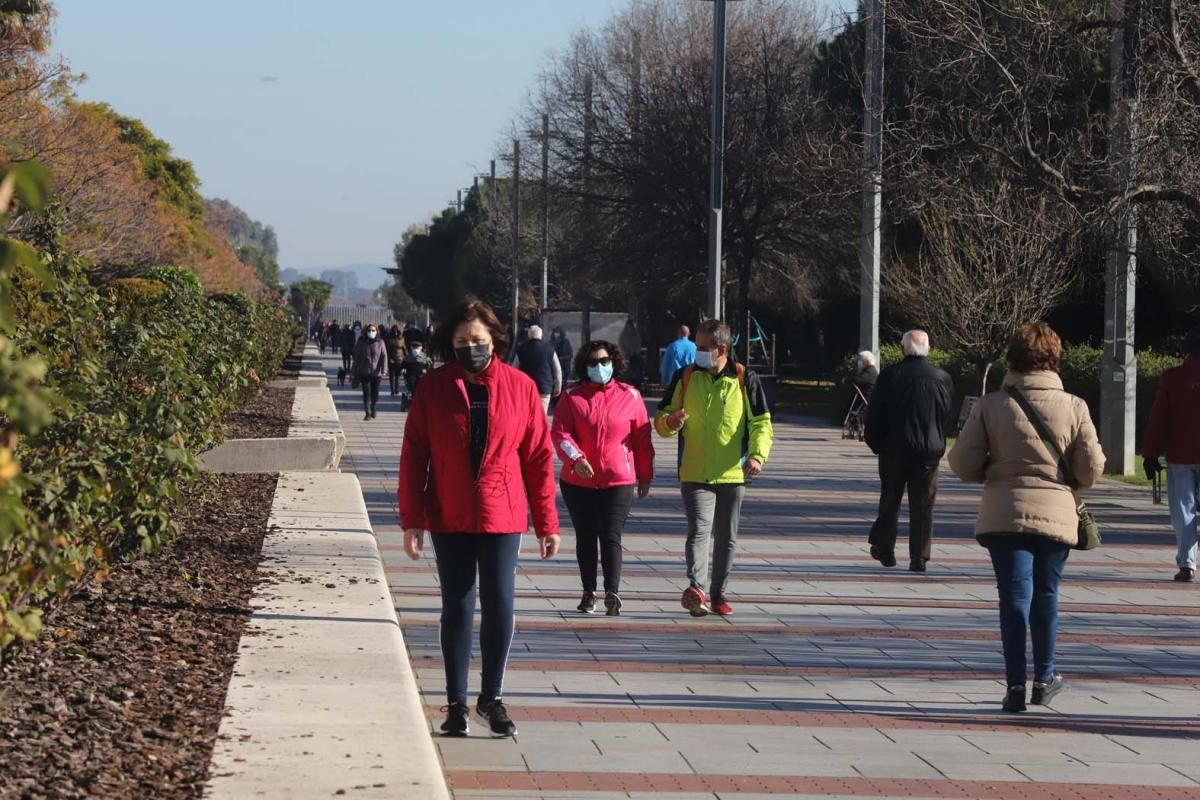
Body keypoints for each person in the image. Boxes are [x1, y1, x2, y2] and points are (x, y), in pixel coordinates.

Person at [398, 299, 560, 739]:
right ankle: (456, 704)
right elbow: (415, 455)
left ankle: (492, 698)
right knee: (457, 606)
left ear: (496, 342)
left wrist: (548, 521)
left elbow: (539, 459)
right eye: (462, 342)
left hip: (502, 513)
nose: (471, 348)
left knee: (500, 604)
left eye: (478, 341)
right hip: (448, 514)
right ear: (450, 344)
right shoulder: (433, 388)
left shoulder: (521, 387)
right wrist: (412, 518)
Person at [949, 323, 1104, 713]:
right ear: (1054, 357)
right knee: (1047, 596)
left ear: (1012, 356)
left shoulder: (990, 405)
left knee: (1014, 599)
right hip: (1056, 515)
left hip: (1004, 514)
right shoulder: (1075, 406)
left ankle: (1014, 684)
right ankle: (1045, 677)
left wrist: (992, 469)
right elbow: (1090, 470)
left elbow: (961, 463)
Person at [655, 319, 773, 617]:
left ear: (722, 349)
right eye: (696, 346)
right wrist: (670, 423)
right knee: (698, 531)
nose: (697, 352)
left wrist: (757, 456)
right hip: (694, 471)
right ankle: (697, 588)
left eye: (703, 347)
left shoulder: (745, 378)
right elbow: (661, 417)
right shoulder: (685, 377)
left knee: (726, 537)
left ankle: (719, 593)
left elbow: (761, 422)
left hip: (734, 473)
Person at [552, 341, 654, 616]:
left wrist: (645, 475)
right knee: (586, 537)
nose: (599, 366)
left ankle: (613, 592)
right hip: (578, 482)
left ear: (614, 362)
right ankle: (588, 592)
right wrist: (576, 458)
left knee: (611, 535)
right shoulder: (572, 397)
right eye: (593, 362)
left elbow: (642, 440)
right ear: (584, 365)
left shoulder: (630, 396)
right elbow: (560, 434)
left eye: (604, 360)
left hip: (618, 480)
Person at [863, 330, 955, 572]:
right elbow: (948, 415)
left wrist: (874, 442)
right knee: (924, 504)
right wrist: (938, 440)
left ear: (903, 348)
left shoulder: (890, 376)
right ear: (927, 349)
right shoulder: (942, 377)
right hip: (928, 451)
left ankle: (885, 548)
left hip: (893, 449)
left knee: (890, 499)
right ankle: (919, 557)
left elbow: (874, 413)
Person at [1142, 325, 1200, 582]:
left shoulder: (1172, 377)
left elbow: (1159, 418)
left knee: (1183, 511)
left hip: (1181, 455)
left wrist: (1150, 454)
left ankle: (1187, 563)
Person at [513, 324, 562, 412]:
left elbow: (514, 369)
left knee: (527, 414)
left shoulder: (521, 350)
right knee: (541, 415)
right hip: (544, 388)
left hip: (525, 389)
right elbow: (557, 370)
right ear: (541, 335)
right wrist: (558, 386)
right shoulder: (550, 349)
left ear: (529, 335)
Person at [352, 324, 388, 420]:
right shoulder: (361, 342)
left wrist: (384, 370)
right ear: (366, 331)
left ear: (377, 331)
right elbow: (357, 357)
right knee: (366, 393)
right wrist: (353, 371)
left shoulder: (381, 342)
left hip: (377, 373)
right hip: (364, 372)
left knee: (375, 395)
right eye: (369, 331)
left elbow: (384, 357)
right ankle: (367, 413)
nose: (371, 332)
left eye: (373, 330)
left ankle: (373, 406)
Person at [619, 318, 644, 389]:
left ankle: (636, 384)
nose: (630, 328)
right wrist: (625, 354)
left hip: (635, 357)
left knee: (636, 372)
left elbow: (638, 345)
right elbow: (621, 345)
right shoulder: (623, 335)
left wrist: (634, 353)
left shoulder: (636, 335)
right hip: (625, 357)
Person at [385, 323, 407, 396]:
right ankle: (392, 390)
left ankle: (396, 389)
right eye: (394, 331)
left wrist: (406, 359)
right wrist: (388, 359)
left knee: (397, 376)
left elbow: (404, 349)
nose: (396, 332)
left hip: (400, 359)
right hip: (391, 359)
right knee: (391, 376)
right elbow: (387, 350)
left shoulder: (402, 339)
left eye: (397, 331)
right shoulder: (389, 339)